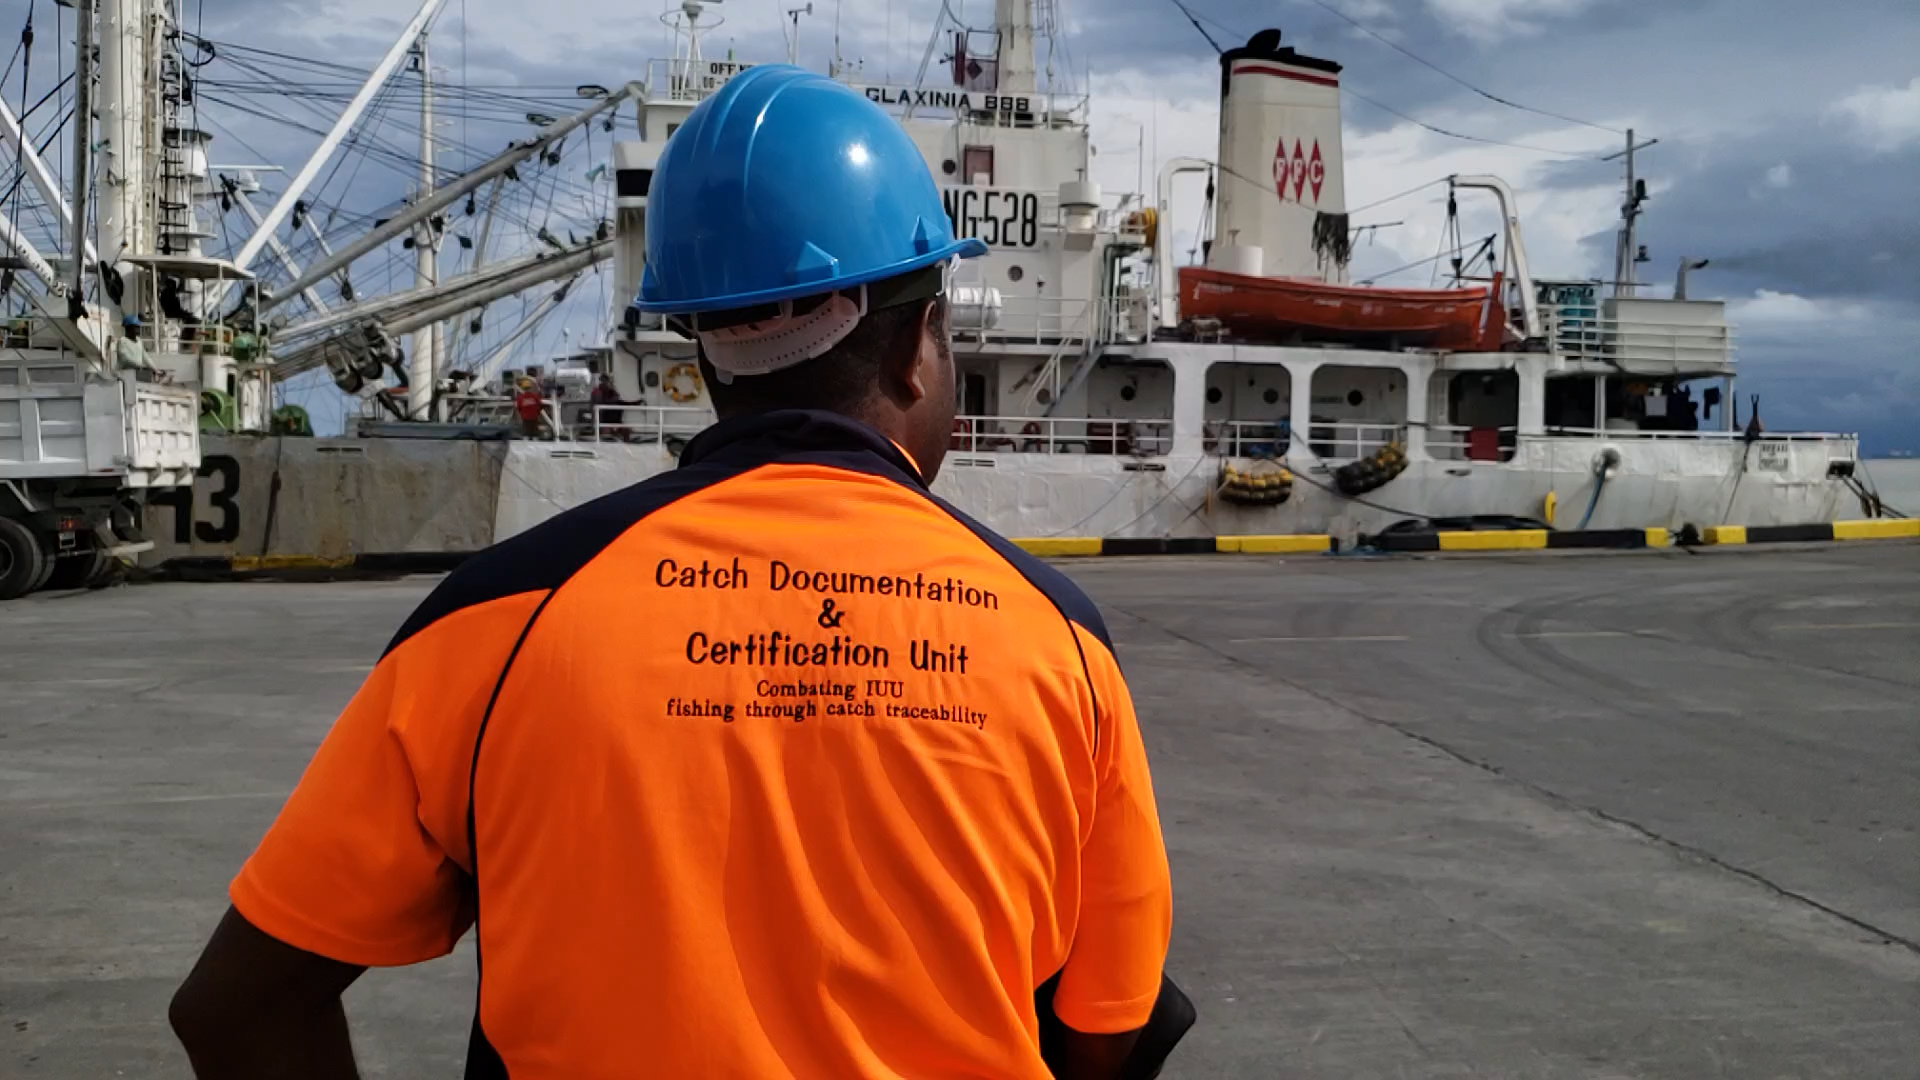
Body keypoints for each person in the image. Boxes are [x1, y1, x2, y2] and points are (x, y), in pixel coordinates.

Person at [170, 65, 1184, 1080]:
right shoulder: (1060, 645)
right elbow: (1113, 1027)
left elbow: (237, 1009)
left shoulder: (494, 618)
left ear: (704, 349)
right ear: (920, 351)